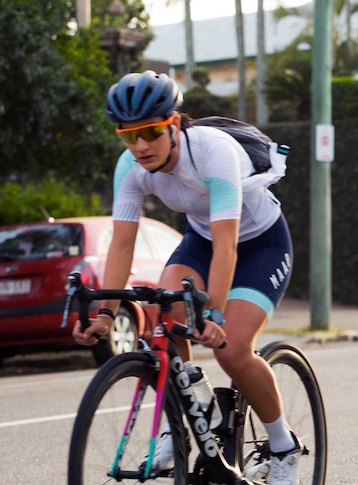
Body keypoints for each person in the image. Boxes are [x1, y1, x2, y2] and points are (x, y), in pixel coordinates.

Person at [72, 70, 298, 484]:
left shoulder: (214, 152)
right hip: (202, 239)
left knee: (231, 351)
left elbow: (228, 245)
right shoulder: (130, 167)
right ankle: (184, 412)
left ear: (173, 124)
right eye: (129, 135)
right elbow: (122, 245)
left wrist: (213, 314)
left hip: (259, 244)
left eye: (151, 132)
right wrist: (104, 313)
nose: (140, 146)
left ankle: (283, 446)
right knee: (163, 309)